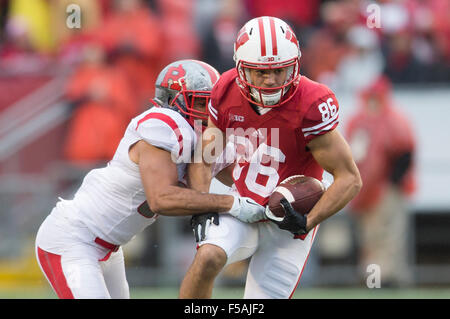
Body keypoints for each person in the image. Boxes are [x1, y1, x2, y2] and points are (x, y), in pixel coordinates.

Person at [34, 59, 266, 299]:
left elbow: (245, 180)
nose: (208, 110)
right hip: (73, 238)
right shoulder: (162, 124)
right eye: (200, 101)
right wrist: (231, 204)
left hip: (109, 249)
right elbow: (161, 199)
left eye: (213, 102)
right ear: (172, 99)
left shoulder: (205, 137)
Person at [179, 16, 362, 299]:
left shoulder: (311, 103)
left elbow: (350, 179)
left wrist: (307, 221)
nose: (271, 80)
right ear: (240, 67)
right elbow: (206, 156)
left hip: (288, 223)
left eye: (280, 70)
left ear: (295, 65)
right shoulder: (226, 90)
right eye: (259, 72)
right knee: (207, 259)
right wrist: (203, 201)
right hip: (242, 206)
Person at [345, 75, 416, 287]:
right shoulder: (358, 121)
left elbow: (405, 153)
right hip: (364, 189)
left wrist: (391, 183)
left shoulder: (393, 119)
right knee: (370, 238)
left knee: (388, 237)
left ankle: (386, 279)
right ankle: (374, 280)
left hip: (385, 189)